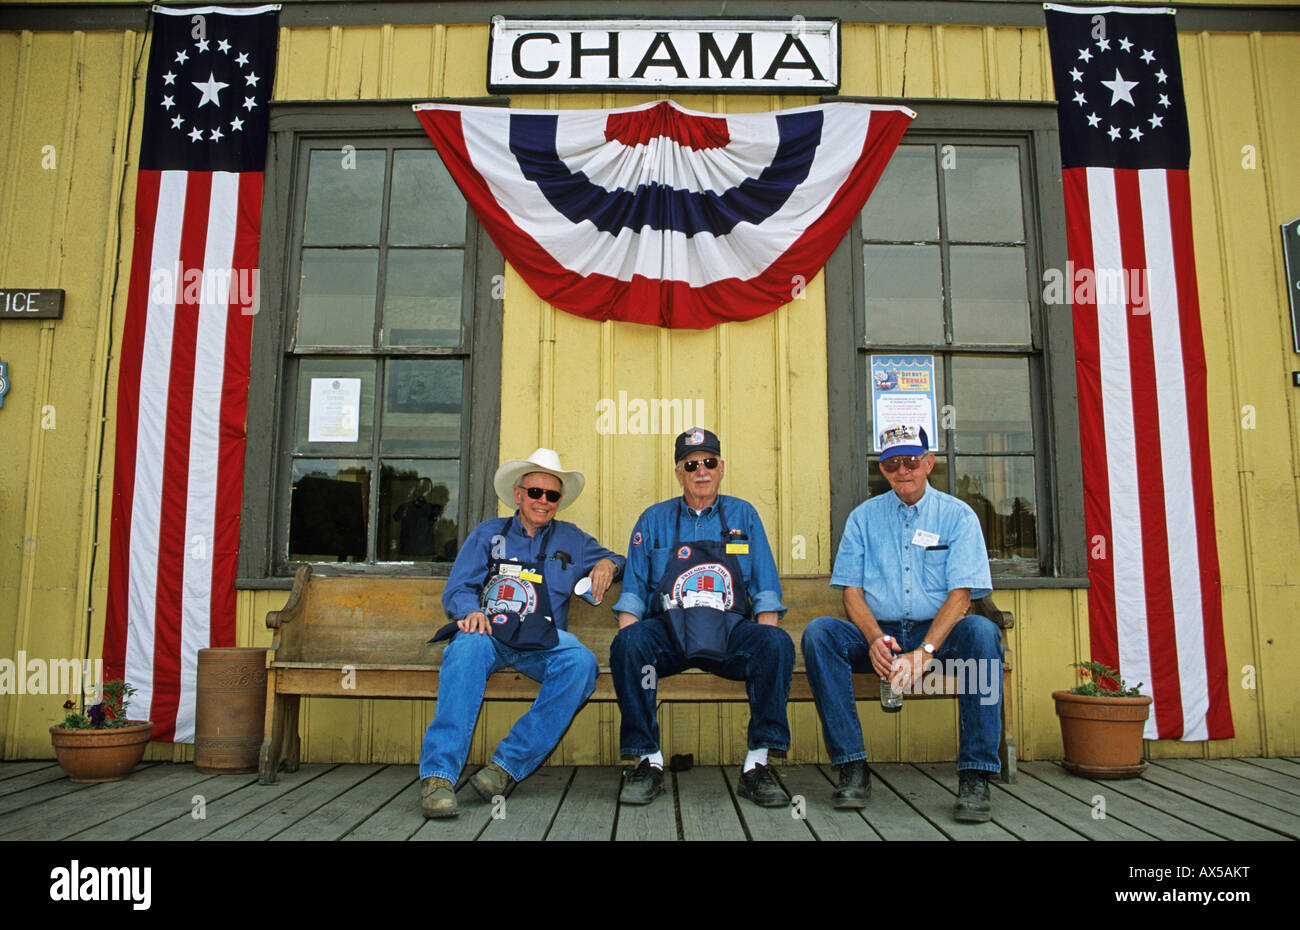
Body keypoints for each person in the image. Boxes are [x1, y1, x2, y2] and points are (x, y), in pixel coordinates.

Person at [801, 424, 1002, 822]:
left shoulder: (958, 516)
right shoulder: (862, 519)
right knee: (819, 633)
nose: (903, 471)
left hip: (939, 637)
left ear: (929, 463)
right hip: (882, 633)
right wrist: (874, 638)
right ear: (883, 469)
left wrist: (925, 651)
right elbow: (852, 592)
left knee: (983, 632)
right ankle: (852, 767)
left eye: (911, 461)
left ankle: (976, 775)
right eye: (892, 463)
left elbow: (962, 595)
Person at [419, 448, 624, 818]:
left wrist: (608, 563)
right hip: (489, 635)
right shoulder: (488, 534)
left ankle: (504, 769)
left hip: (542, 642)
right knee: (464, 653)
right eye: (535, 492)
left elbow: (620, 559)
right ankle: (438, 778)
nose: (543, 502)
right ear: (518, 494)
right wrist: (471, 613)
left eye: (552, 495)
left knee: (580, 663)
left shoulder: (573, 539)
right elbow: (458, 588)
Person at [611, 427, 794, 808]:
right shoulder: (653, 519)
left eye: (709, 462)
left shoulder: (744, 514)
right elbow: (633, 593)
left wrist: (764, 650)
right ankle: (648, 759)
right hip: (671, 635)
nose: (701, 471)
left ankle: (757, 764)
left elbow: (766, 589)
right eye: (691, 464)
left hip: (729, 634)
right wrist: (627, 648)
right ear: (679, 473)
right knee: (628, 642)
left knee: (775, 642)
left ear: (721, 468)